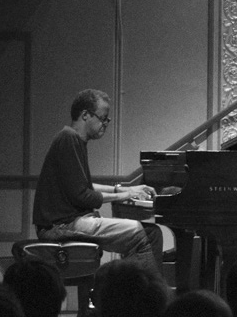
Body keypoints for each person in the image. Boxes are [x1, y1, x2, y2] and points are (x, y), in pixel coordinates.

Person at [32, 89, 162, 277]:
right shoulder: (69, 139)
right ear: (85, 115)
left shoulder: (73, 140)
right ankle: (146, 297)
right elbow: (83, 196)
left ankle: (133, 293)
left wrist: (126, 189)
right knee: (143, 234)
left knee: (146, 232)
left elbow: (83, 185)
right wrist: (126, 194)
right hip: (59, 227)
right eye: (103, 118)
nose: (105, 124)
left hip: (65, 223)